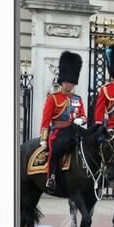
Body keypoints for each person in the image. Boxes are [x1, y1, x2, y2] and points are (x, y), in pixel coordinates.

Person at [40, 51, 87, 192]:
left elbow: (84, 116)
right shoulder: (53, 98)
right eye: (68, 82)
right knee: (56, 150)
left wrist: (81, 119)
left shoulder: (77, 99)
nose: (70, 85)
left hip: (74, 130)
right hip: (58, 132)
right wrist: (43, 138)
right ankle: (51, 177)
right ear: (62, 81)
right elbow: (46, 119)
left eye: (72, 82)